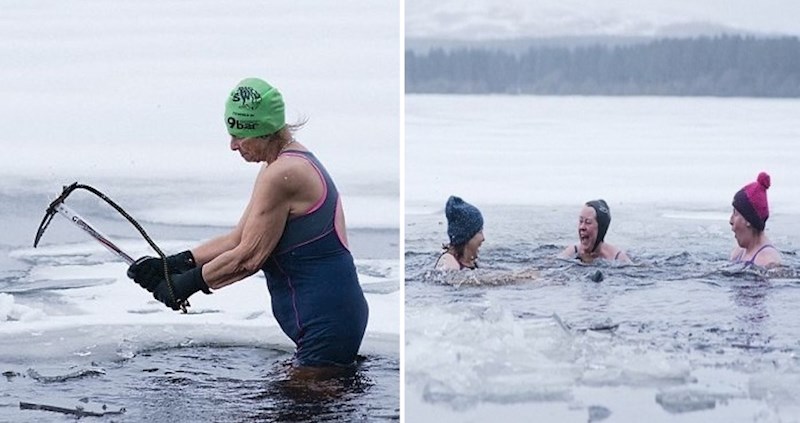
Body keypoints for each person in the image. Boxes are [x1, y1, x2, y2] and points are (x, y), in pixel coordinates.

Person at [127, 77, 369, 368]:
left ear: (264, 130)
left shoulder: (284, 174)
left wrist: (184, 286)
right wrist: (175, 264)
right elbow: (238, 239)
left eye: (239, 135)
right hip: (330, 319)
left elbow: (248, 259)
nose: (232, 145)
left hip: (325, 325)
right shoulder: (280, 166)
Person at [729, 171, 781, 267]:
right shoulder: (738, 252)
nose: (730, 221)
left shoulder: (768, 261)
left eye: (735, 214)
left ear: (748, 220)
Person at [559, 199, 631, 264]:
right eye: (581, 221)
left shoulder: (617, 258)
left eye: (588, 222)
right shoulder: (573, 251)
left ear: (601, 228)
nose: (582, 227)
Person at [435, 196, 484, 270]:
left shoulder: (471, 262)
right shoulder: (448, 261)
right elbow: (455, 279)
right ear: (467, 237)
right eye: (479, 232)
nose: (483, 238)